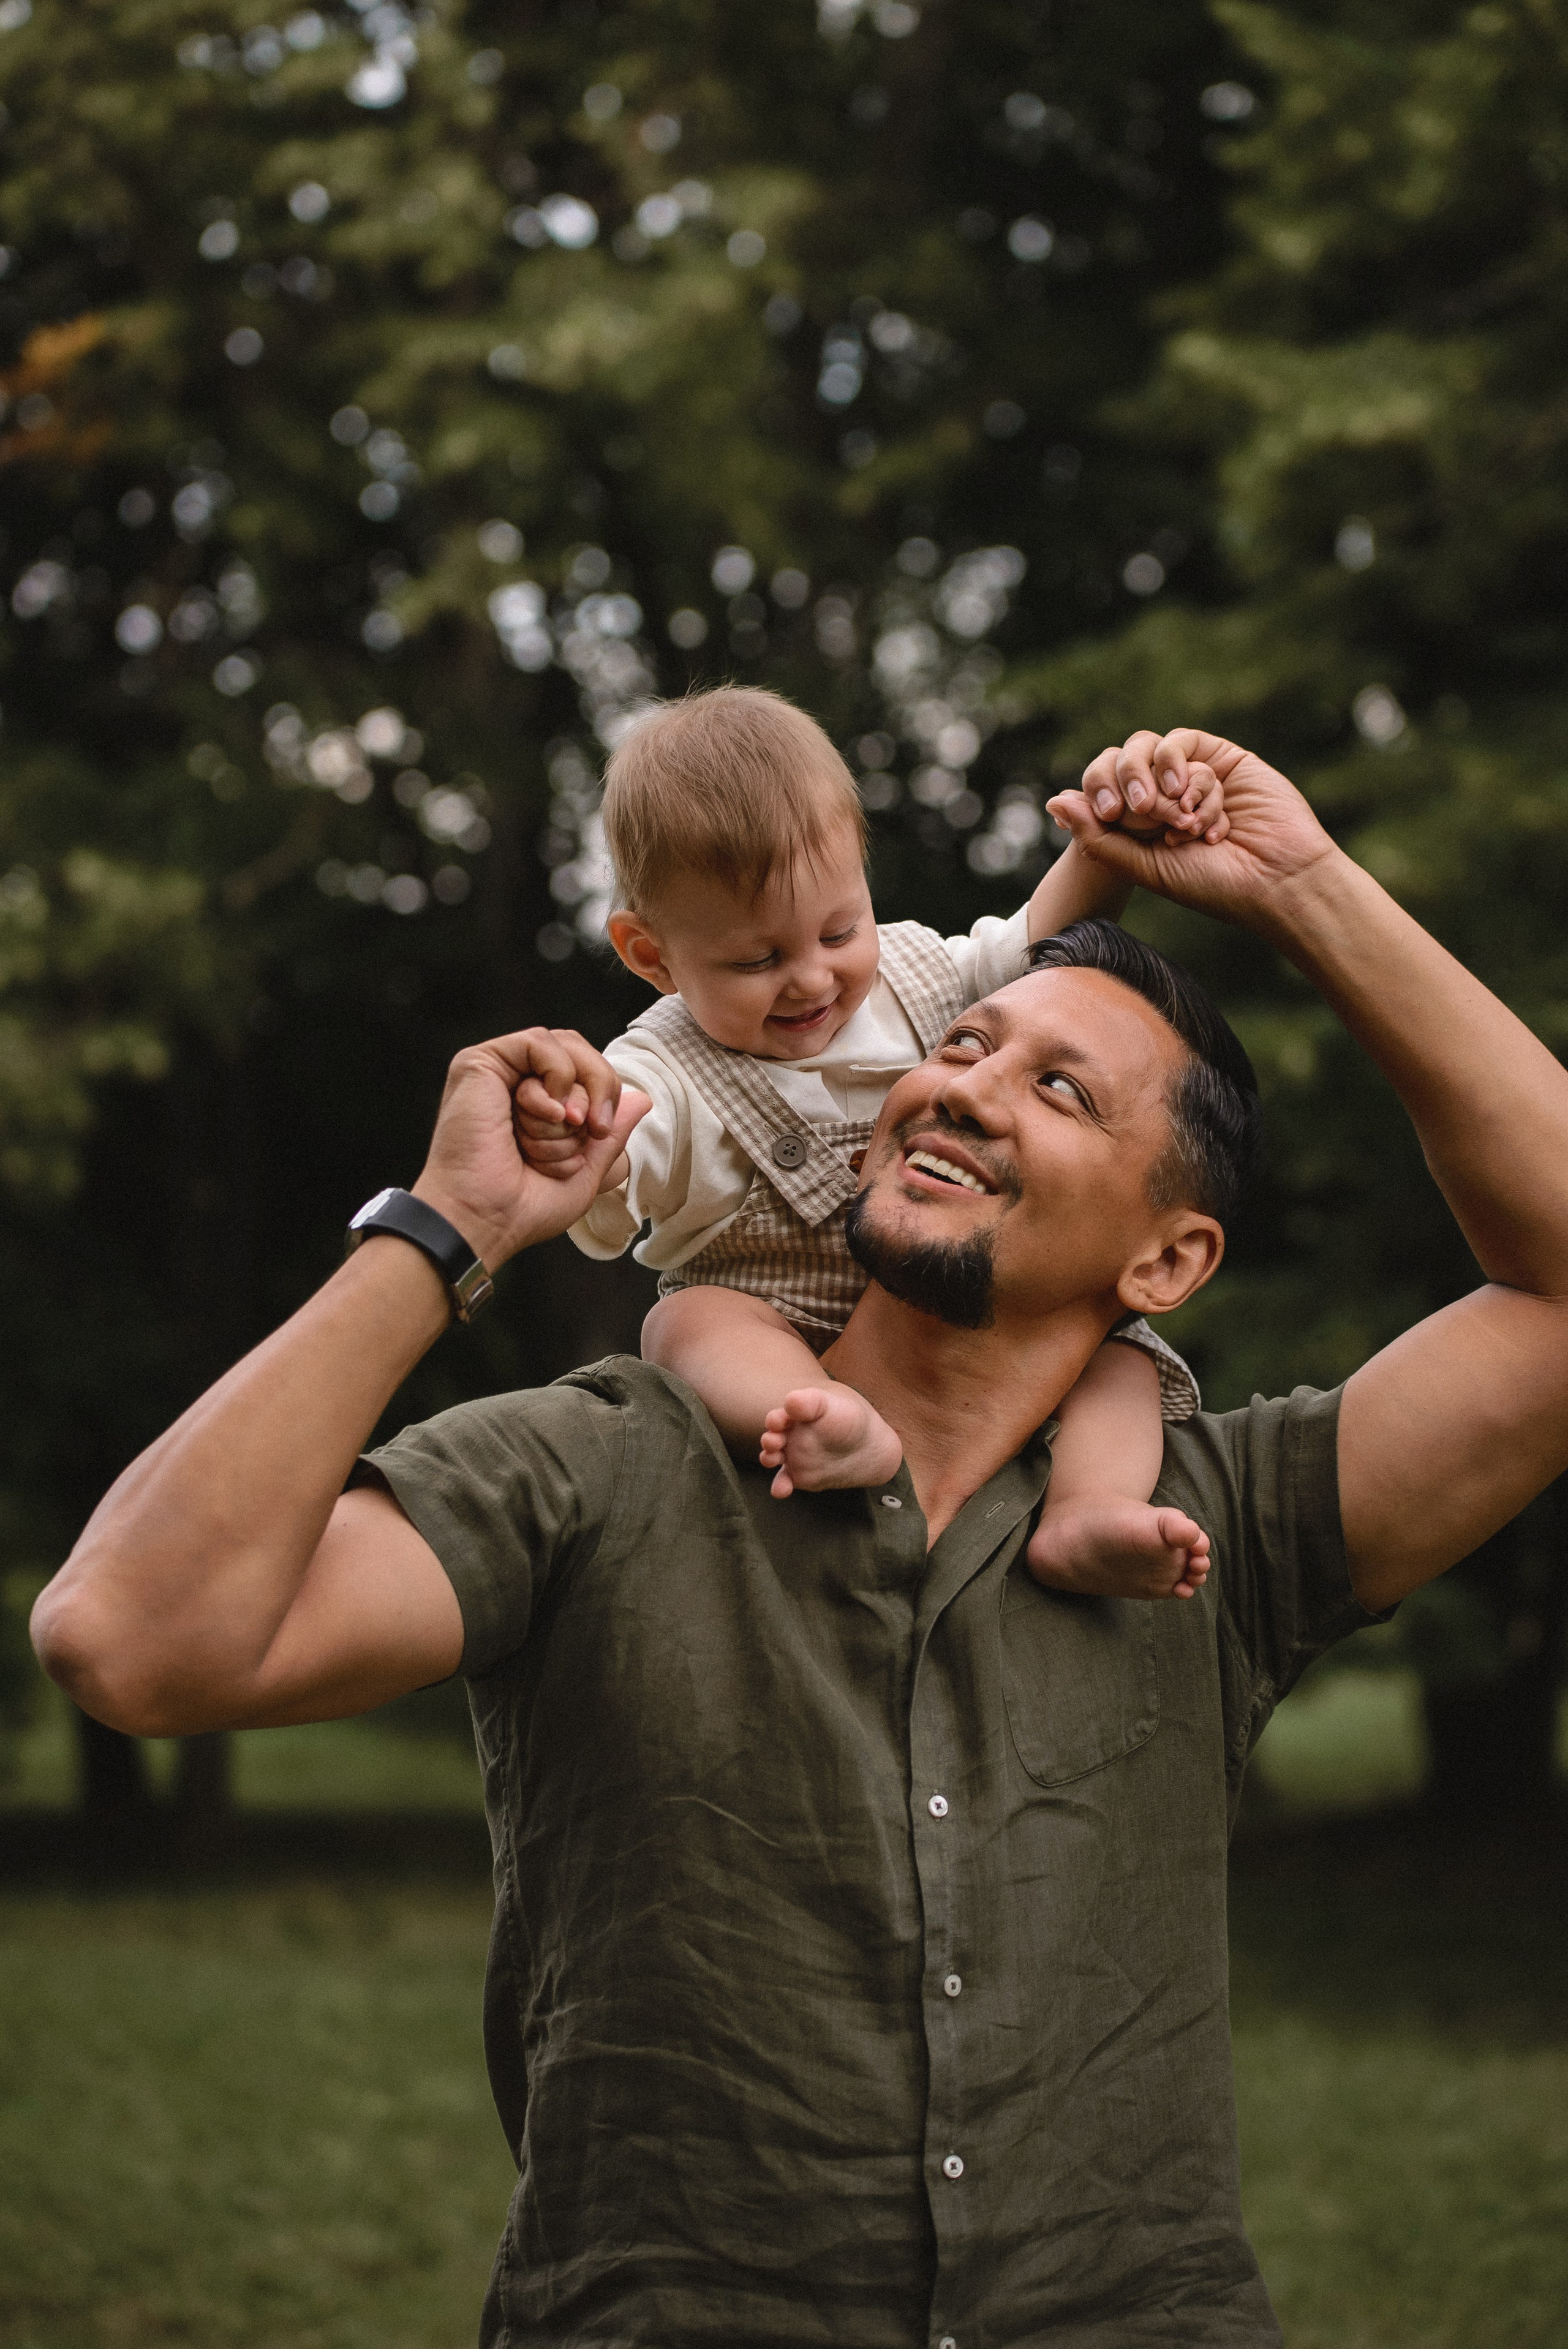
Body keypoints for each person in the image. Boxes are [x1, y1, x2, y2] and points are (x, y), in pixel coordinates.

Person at [32, 727, 1568, 2348]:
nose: (961, 1079)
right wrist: (449, 1225)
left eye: (1056, 1086)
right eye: (964, 1042)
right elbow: (130, 1634)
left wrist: (1305, 884)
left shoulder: (1223, 1533)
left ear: (1169, 1259)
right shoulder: (604, 1467)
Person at [518, 683, 1230, 1600]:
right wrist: (579, 1129)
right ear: (650, 956)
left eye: (838, 930)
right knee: (686, 1321)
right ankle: (822, 1418)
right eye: (756, 960)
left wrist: (1108, 852)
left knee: (1124, 1355)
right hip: (778, 1314)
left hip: (957, 1307)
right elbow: (626, 1148)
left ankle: (1092, 1509)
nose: (811, 979)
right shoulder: (666, 1067)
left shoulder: (917, 972)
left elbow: (1037, 949)